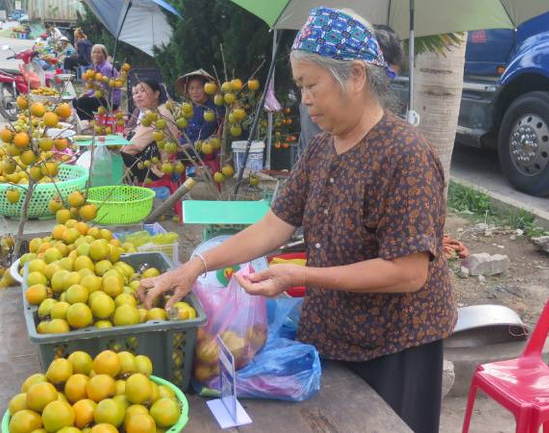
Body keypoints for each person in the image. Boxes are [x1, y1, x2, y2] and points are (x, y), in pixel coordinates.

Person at [137, 7, 454, 433]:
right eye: (300, 86)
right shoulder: (323, 149)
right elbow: (273, 226)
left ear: (356, 77)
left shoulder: (405, 156)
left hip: (396, 346)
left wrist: (302, 275)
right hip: (335, 330)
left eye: (311, 85)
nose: (303, 98)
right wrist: (195, 267)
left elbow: (408, 273)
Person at [298, 23, 405, 157]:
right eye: (388, 74)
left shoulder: (405, 146)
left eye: (392, 77)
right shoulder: (325, 106)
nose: (386, 84)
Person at [121, 79, 178, 183]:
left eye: (143, 91)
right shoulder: (156, 111)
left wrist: (119, 157)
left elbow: (134, 146)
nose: (138, 95)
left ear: (156, 94)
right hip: (157, 165)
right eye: (136, 93)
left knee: (114, 159)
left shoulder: (157, 115)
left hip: (155, 170)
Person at [73, 44, 122, 120]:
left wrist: (89, 95)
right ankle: (90, 121)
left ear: (104, 55)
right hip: (101, 96)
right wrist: (87, 93)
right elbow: (96, 87)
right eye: (94, 52)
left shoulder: (107, 68)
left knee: (81, 102)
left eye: (98, 52)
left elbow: (103, 89)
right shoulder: (96, 66)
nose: (95, 54)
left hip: (110, 100)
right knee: (75, 101)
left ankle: (89, 123)